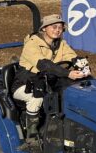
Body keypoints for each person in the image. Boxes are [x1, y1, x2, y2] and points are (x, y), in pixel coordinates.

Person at [11, 13, 86, 141]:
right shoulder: (32, 44)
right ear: (44, 28)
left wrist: (82, 65)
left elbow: (71, 56)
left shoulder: (61, 43)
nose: (57, 30)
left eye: (60, 27)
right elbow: (44, 64)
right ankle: (32, 135)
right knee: (37, 98)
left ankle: (67, 127)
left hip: (47, 82)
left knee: (70, 92)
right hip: (26, 83)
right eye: (54, 27)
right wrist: (68, 73)